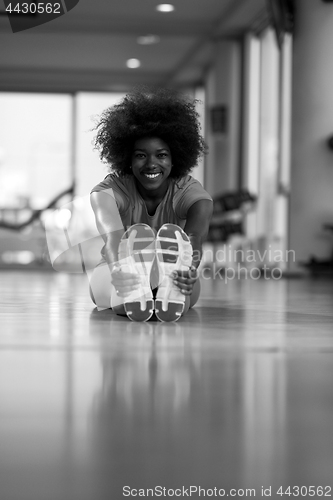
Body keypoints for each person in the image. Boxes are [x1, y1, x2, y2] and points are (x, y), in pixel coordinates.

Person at [89, 87, 213, 322]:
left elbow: (194, 238)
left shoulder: (192, 194)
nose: (152, 164)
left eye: (162, 155)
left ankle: (162, 285)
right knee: (120, 289)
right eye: (141, 155)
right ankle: (137, 285)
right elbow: (114, 238)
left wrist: (189, 269)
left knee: (117, 299)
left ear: (175, 157)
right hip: (117, 266)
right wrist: (119, 271)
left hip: (178, 271)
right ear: (128, 158)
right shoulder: (109, 191)